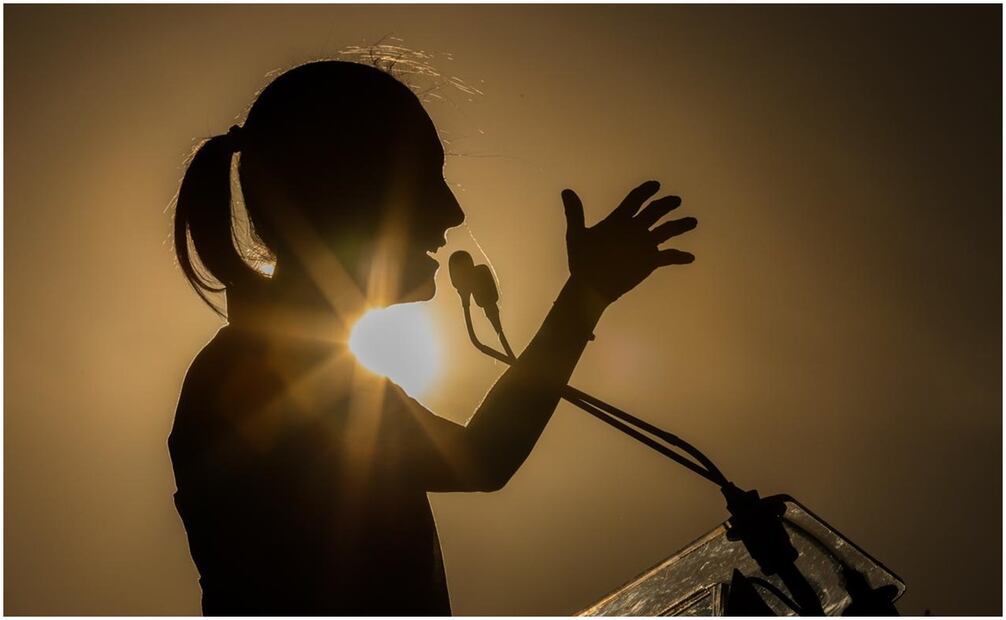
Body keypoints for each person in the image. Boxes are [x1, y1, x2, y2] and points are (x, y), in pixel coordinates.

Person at [169, 60, 697, 616]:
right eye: (426, 179)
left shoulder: (279, 365)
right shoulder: (270, 378)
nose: (452, 211)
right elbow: (482, 459)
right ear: (346, 196)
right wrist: (585, 295)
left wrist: (586, 295)